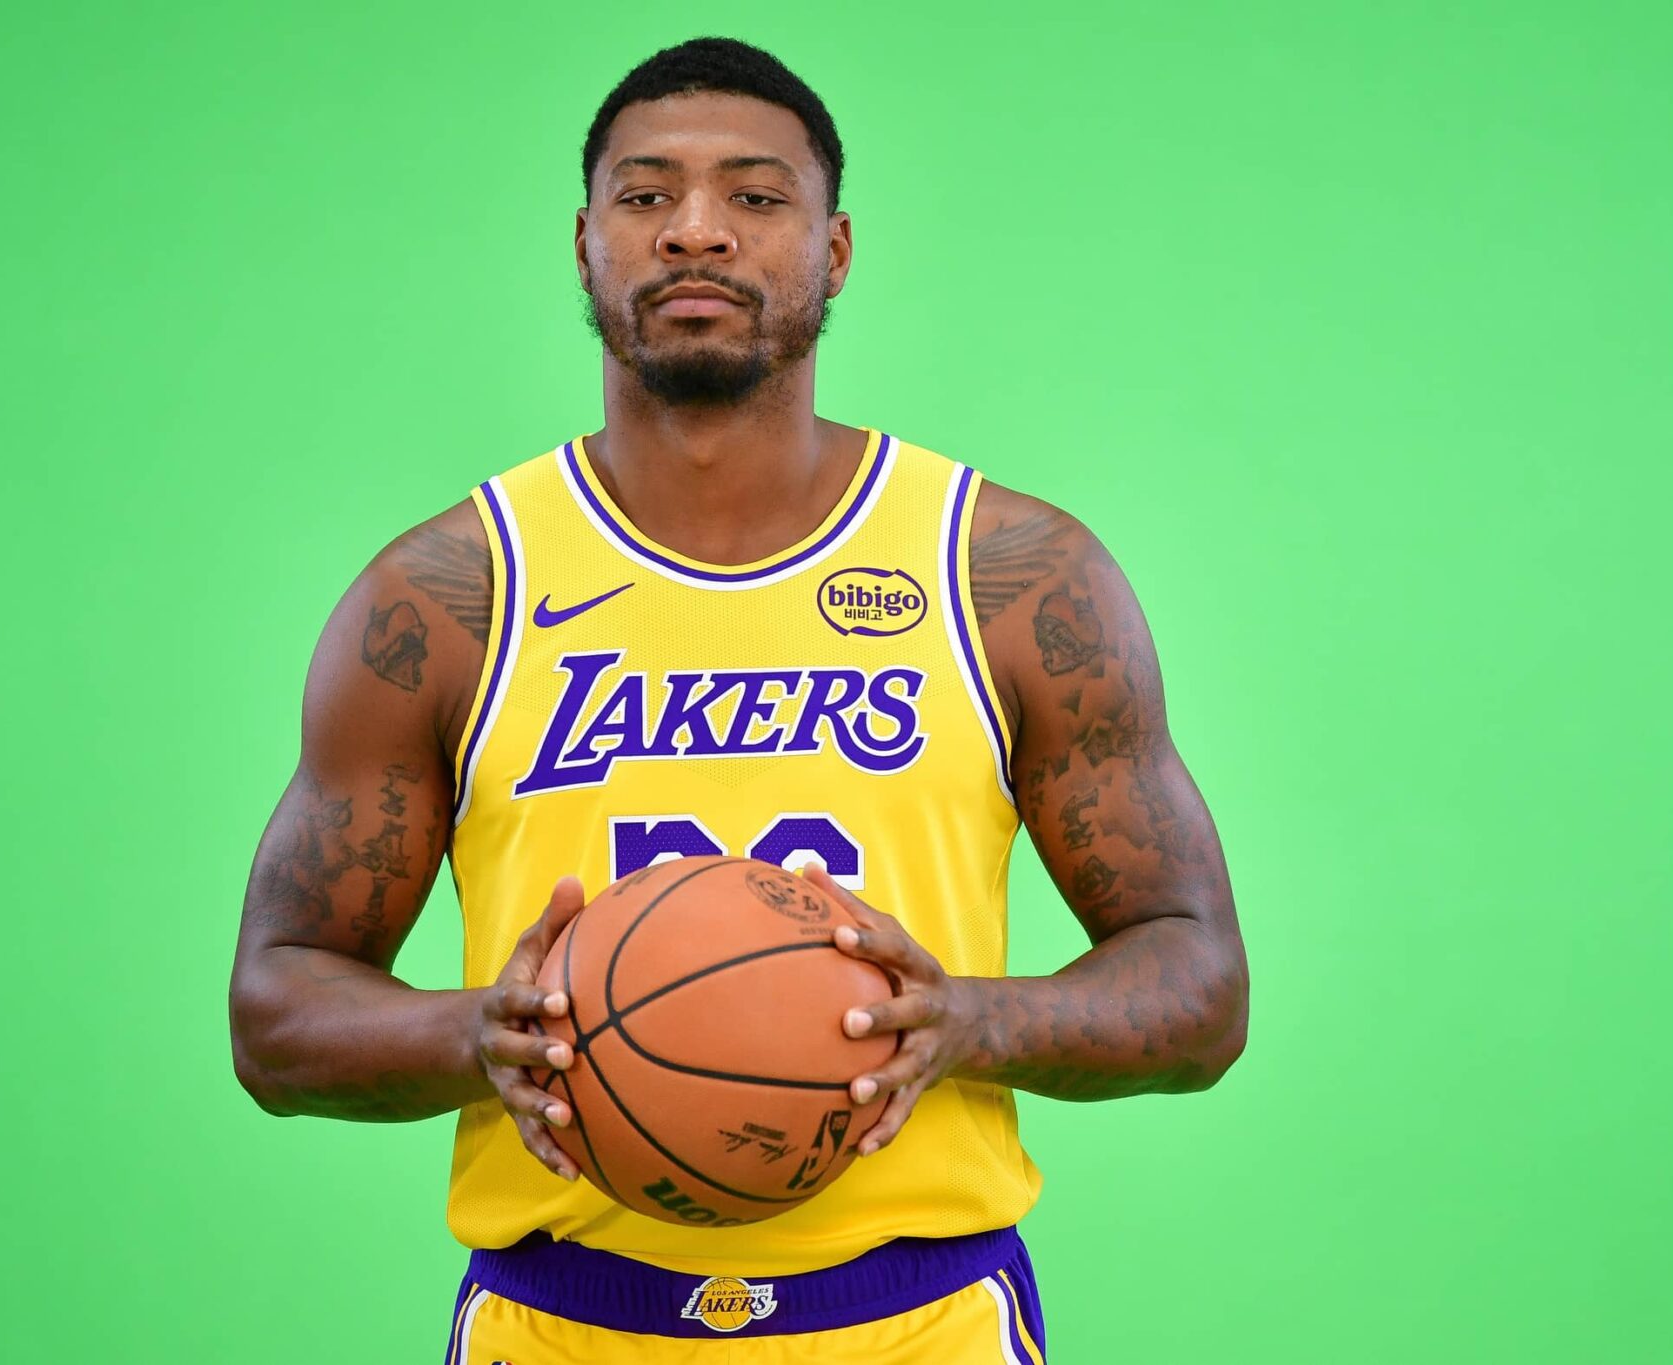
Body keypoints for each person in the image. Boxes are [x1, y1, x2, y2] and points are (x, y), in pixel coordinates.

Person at [229, 36, 1249, 1363]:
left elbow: (1200, 978)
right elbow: (275, 1003)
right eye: (646, 196)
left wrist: (962, 1021)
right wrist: (481, 1035)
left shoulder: (1009, 574)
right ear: (585, 242)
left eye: (755, 198)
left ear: (832, 250)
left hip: (916, 1322)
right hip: (564, 1323)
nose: (694, 231)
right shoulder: (447, 596)